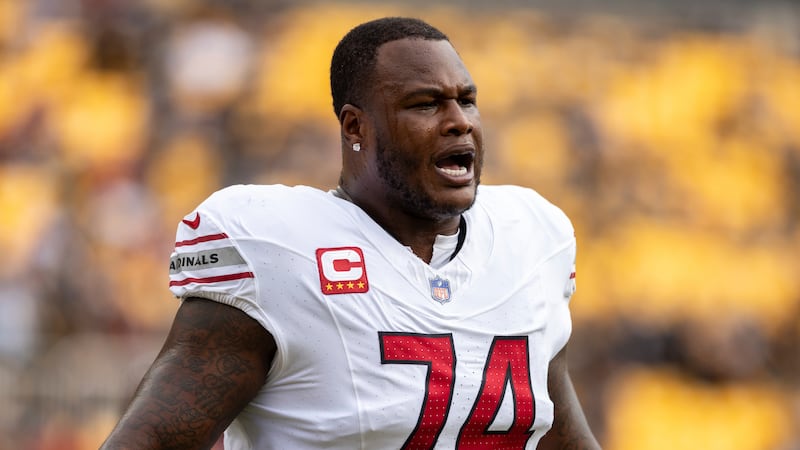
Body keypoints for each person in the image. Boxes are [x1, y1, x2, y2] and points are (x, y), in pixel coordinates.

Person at [101, 16, 601, 450]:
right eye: (425, 104)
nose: (458, 122)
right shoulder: (279, 249)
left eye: (466, 101)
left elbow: (553, 431)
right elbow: (154, 441)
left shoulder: (530, 237)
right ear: (355, 127)